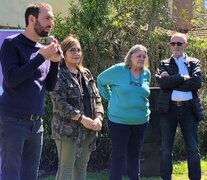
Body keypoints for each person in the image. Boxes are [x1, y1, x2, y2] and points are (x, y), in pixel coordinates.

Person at [0, 3, 62, 180]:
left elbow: (49, 86)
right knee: (11, 175)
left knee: (30, 176)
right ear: (32, 19)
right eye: (47, 18)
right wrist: (42, 57)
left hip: (36, 125)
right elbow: (12, 80)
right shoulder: (11, 44)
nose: (51, 22)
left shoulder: (42, 51)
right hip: (12, 121)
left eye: (53, 19)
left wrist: (55, 62)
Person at [50, 34, 104, 180]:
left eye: (78, 50)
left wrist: (98, 117)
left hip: (88, 129)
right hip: (67, 131)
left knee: (81, 168)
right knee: (66, 168)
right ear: (64, 53)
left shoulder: (86, 73)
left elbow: (97, 98)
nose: (76, 53)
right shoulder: (59, 74)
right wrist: (81, 118)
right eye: (72, 50)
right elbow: (60, 103)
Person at [97, 44, 151, 180]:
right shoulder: (118, 70)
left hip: (140, 121)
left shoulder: (146, 73)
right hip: (119, 121)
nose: (141, 58)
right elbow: (100, 80)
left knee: (135, 154)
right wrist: (110, 97)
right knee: (118, 155)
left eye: (144, 56)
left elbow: (143, 93)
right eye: (138, 55)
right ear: (130, 56)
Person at [156, 32, 204, 180]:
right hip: (168, 109)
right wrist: (183, 78)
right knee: (165, 149)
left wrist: (172, 82)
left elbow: (197, 82)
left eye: (179, 43)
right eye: (173, 43)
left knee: (193, 149)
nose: (175, 46)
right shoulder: (163, 63)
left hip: (189, 109)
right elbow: (163, 84)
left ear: (186, 45)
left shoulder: (194, 62)